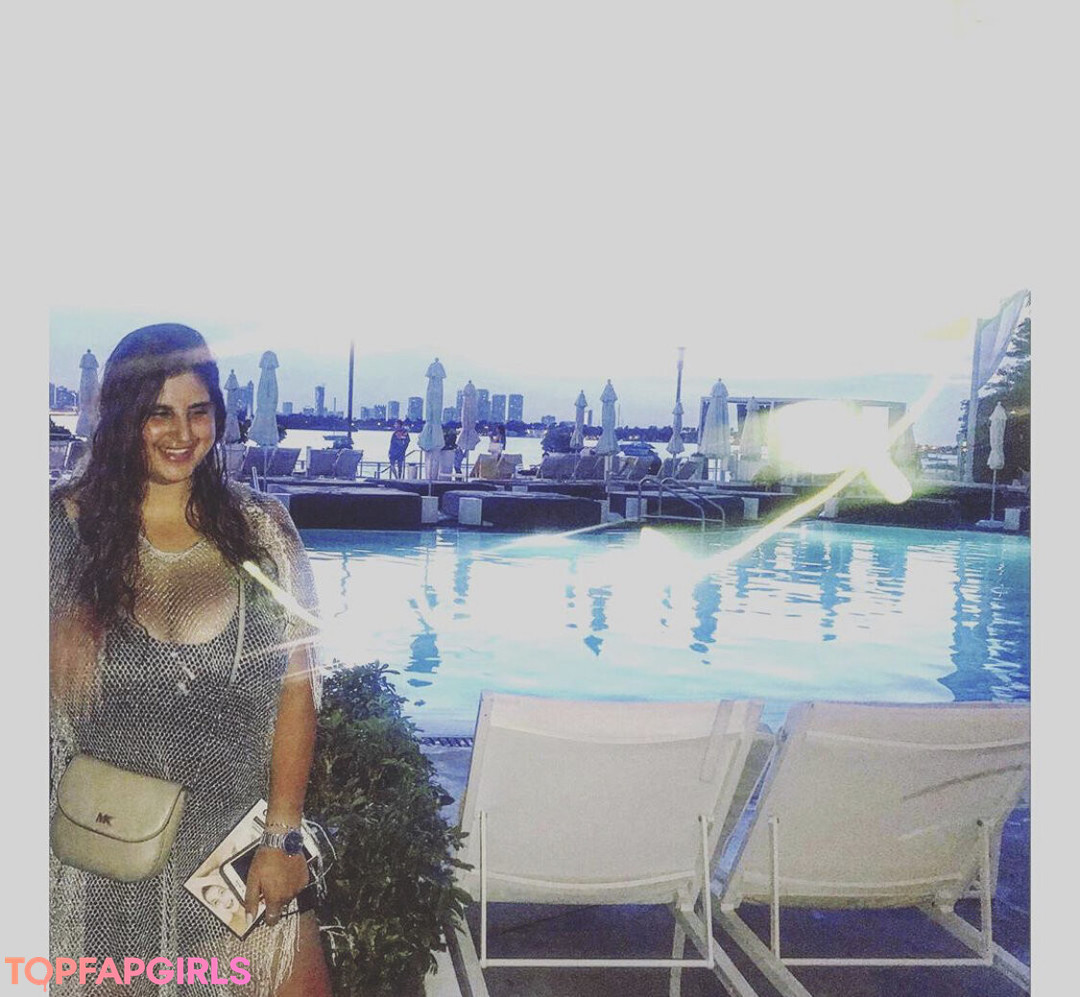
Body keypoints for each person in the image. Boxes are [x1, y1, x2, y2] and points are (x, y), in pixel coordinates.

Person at [49, 324, 331, 997]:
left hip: (234, 852)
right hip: (101, 853)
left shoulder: (264, 532)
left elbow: (297, 689)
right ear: (124, 418)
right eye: (160, 413)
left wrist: (283, 837)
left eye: (198, 411)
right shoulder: (59, 534)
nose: (182, 433)